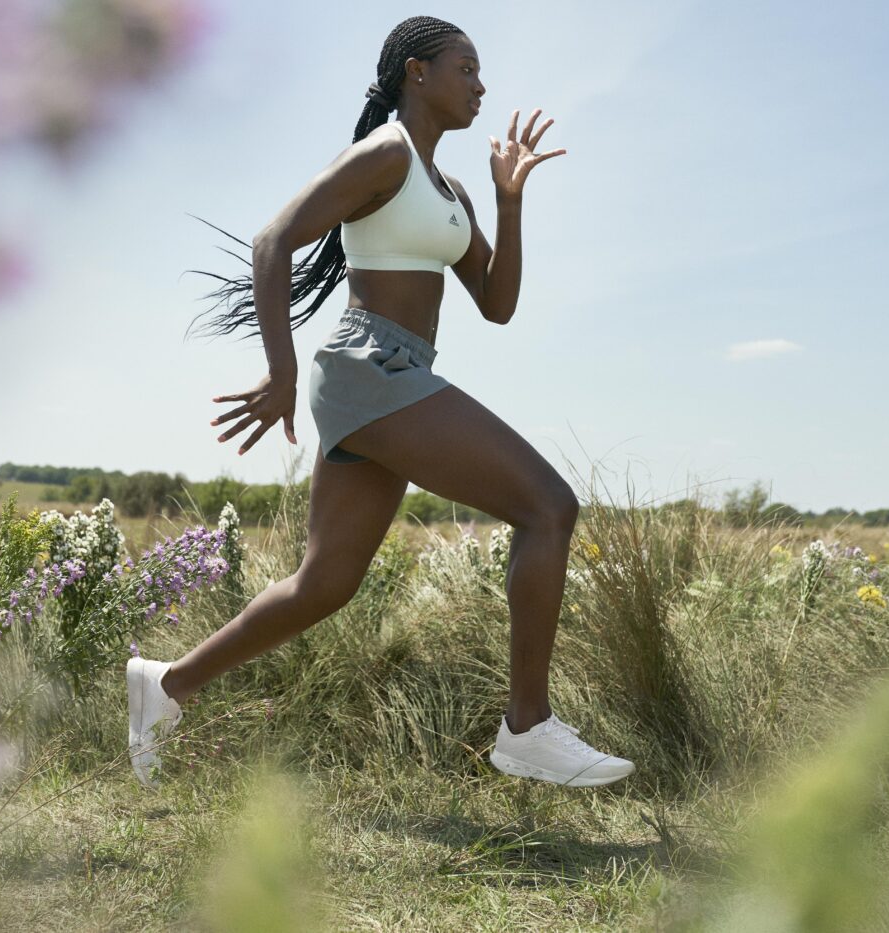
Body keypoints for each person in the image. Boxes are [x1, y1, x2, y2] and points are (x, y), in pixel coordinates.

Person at [128, 15, 635, 789]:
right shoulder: (386, 154)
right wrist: (281, 371)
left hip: (396, 373)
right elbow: (274, 239)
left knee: (324, 583)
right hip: (371, 368)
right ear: (416, 74)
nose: (481, 84)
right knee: (548, 507)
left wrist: (508, 200)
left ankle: (166, 685)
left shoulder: (450, 189)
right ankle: (526, 726)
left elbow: (496, 305)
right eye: (466, 68)